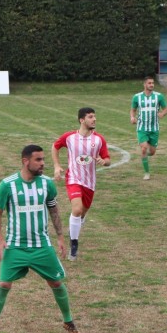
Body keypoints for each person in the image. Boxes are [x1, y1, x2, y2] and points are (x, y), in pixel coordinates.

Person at [0, 144, 81, 333]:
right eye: (39, 160)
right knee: (4, 283)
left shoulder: (46, 184)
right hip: (15, 245)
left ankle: (68, 321)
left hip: (41, 246)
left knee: (56, 282)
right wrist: (0, 241)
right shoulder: (7, 185)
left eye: (43, 159)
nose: (43, 163)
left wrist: (60, 236)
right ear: (26, 161)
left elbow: (53, 210)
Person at [52, 107, 111, 261]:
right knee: (76, 209)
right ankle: (74, 243)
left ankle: (75, 229)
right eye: (90, 117)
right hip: (73, 179)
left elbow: (108, 160)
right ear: (82, 120)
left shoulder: (99, 140)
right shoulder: (69, 137)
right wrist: (57, 166)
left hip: (90, 183)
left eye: (95, 117)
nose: (94, 119)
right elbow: (55, 146)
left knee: (82, 213)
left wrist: (103, 161)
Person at [131, 76, 167, 181]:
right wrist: (132, 117)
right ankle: (147, 173)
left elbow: (166, 109)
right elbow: (133, 110)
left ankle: (144, 157)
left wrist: (162, 114)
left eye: (152, 83)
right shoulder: (137, 97)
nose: (151, 85)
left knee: (152, 152)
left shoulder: (159, 96)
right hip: (142, 127)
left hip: (154, 129)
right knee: (144, 148)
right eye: (149, 83)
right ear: (145, 84)